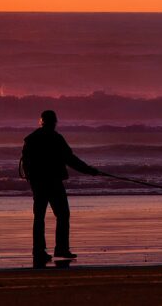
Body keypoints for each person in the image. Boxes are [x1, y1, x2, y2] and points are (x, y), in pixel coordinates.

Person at [20, 110, 100, 265]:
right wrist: (89, 170)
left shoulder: (31, 139)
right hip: (53, 182)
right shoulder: (56, 138)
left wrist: (32, 180)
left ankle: (40, 250)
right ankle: (60, 248)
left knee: (40, 217)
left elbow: (27, 165)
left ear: (41, 121)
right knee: (62, 214)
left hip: (39, 184)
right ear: (52, 122)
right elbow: (70, 159)